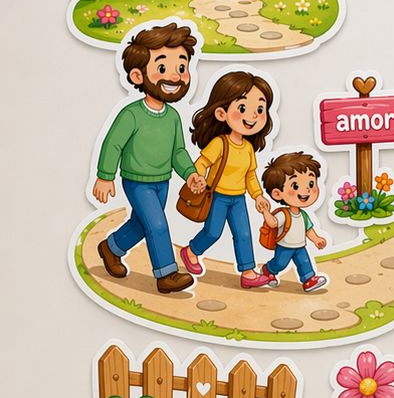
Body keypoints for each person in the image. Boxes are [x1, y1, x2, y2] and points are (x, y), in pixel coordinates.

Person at [93, 22, 206, 294]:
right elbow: (113, 144)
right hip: (137, 182)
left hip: (162, 181)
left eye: (182, 67)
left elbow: (178, 151)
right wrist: (105, 176)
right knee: (157, 225)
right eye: (163, 67)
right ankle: (166, 274)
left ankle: (111, 248)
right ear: (137, 75)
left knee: (141, 225)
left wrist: (190, 173)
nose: (176, 75)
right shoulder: (131, 114)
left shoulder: (172, 117)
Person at [179, 71, 277, 289]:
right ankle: (191, 251)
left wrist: (258, 196)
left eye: (260, 109)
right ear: (221, 113)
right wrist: (197, 177)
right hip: (217, 196)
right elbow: (202, 162)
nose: (252, 116)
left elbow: (250, 175)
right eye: (242, 108)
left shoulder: (248, 148)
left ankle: (248, 273)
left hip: (238, 198)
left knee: (244, 234)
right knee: (213, 232)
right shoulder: (220, 143)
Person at [260, 151, 329, 292]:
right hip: (285, 246)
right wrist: (265, 212)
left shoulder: (303, 215)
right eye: (296, 186)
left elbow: (308, 229)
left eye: (311, 183)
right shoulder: (284, 214)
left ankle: (309, 280)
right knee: (280, 264)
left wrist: (316, 239)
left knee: (305, 263)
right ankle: (268, 270)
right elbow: (273, 223)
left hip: (300, 246)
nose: (307, 189)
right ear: (277, 193)